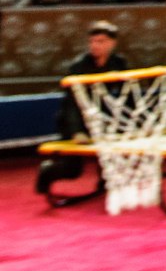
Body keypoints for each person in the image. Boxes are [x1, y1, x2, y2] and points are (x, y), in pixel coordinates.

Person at [34, 19, 128, 201]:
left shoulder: (119, 63)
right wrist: (77, 131)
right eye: (92, 41)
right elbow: (71, 103)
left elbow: (128, 93)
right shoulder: (79, 66)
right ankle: (47, 171)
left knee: (109, 155)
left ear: (112, 43)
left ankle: (105, 183)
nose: (95, 45)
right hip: (73, 120)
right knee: (72, 169)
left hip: (99, 118)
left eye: (100, 41)